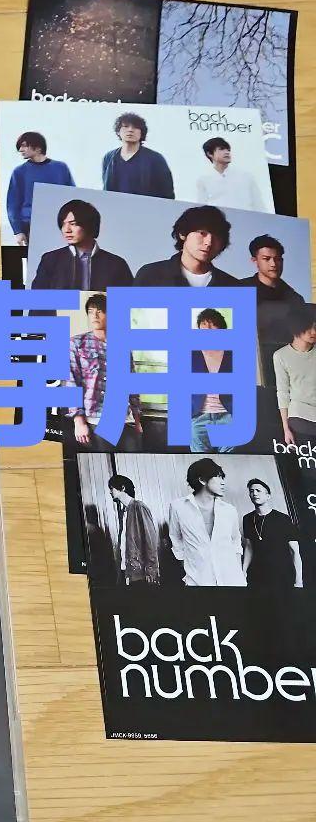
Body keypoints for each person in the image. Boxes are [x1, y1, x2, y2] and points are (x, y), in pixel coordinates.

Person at [68, 293, 143, 451]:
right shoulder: (77, 343)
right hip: (95, 420)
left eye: (100, 311)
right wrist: (78, 422)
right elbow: (71, 382)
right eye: (91, 312)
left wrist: (137, 420)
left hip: (125, 420)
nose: (94, 316)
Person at [167, 457, 245, 586]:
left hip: (232, 580)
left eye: (223, 478)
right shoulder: (178, 507)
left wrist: (238, 572)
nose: (223, 483)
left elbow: (236, 541)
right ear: (202, 480)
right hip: (197, 581)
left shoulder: (229, 510)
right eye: (218, 477)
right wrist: (190, 569)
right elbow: (176, 540)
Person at [31, 198, 134, 290]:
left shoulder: (117, 264)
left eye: (73, 224)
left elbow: (129, 302)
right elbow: (36, 300)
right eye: (63, 224)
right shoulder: (50, 260)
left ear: (89, 224)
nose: (66, 230)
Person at [133, 205, 238, 287]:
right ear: (182, 234)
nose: (209, 243)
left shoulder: (233, 286)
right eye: (202, 233)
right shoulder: (150, 275)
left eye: (217, 236)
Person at [5, 131, 75, 245]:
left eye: (24, 146)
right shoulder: (19, 172)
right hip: (31, 226)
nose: (20, 150)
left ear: (38, 147)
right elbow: (12, 204)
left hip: (59, 225)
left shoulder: (61, 168)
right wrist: (18, 231)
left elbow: (72, 196)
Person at [242, 478, 302, 589]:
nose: (254, 493)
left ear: (268, 496)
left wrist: (299, 581)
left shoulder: (283, 519)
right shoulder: (247, 519)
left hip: (282, 575)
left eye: (258, 490)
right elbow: (249, 547)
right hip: (258, 576)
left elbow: (295, 551)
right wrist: (243, 571)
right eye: (251, 491)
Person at [191, 308, 235, 453]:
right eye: (204, 324)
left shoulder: (232, 354)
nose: (208, 328)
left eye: (212, 324)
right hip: (199, 417)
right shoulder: (190, 355)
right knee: (200, 460)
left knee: (230, 461)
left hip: (227, 416)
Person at [101, 112, 174, 198]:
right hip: (116, 204)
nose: (130, 130)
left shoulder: (156, 158)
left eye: (135, 127)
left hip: (146, 205)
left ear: (142, 132)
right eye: (126, 126)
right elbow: (106, 190)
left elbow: (167, 193)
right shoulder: (109, 157)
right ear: (118, 131)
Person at [273, 304, 316, 447]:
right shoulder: (281, 356)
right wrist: (286, 429)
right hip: (299, 414)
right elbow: (282, 392)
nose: (313, 332)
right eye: (309, 327)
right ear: (296, 326)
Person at [108, 474, 160, 584]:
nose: (110, 492)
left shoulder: (139, 507)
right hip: (127, 572)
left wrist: (151, 571)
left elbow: (151, 541)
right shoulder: (124, 512)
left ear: (122, 488)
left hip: (140, 575)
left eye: (111, 488)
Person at [194, 137, 269, 212]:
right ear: (210, 154)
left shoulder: (246, 176)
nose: (227, 152)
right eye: (221, 149)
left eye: (228, 150)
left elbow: (259, 205)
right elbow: (201, 207)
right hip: (218, 218)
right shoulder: (203, 180)